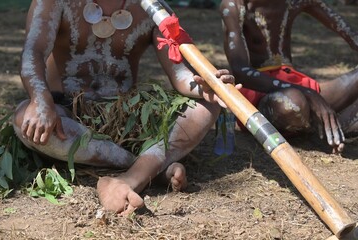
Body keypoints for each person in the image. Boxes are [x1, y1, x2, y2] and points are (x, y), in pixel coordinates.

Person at [13, 0, 236, 215]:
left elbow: (180, 75)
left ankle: (129, 179)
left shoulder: (154, 8)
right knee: (25, 119)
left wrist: (205, 86)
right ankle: (149, 167)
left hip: (131, 120)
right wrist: (41, 101)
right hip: (70, 116)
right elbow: (34, 51)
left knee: (208, 103)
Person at [220, 0, 358, 154]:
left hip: (297, 83)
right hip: (260, 89)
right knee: (293, 103)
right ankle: (332, 123)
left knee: (297, 100)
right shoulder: (234, 5)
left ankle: (326, 123)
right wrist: (309, 93)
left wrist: (308, 92)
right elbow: (240, 72)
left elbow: (351, 36)